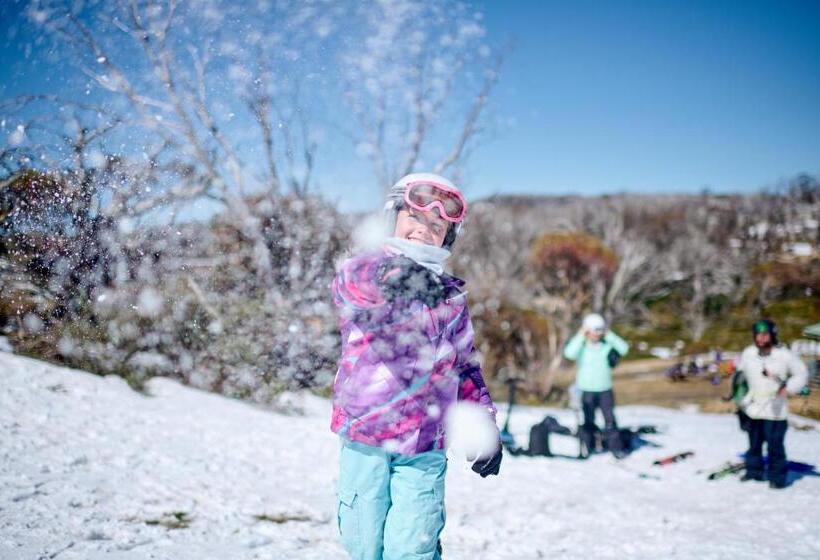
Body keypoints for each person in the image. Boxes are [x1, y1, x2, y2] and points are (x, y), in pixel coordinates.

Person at [331, 173, 501, 560]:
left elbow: (465, 366)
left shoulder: (450, 296)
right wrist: (394, 276)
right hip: (365, 434)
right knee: (363, 542)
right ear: (392, 217)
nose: (424, 230)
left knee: (413, 544)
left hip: (426, 440)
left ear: (448, 237)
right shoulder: (365, 271)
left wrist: (484, 423)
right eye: (415, 218)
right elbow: (350, 285)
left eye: (437, 225)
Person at [736, 319, 808, 489]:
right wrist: (738, 397)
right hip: (753, 407)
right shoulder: (749, 353)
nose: (760, 338)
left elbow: (801, 374)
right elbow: (740, 375)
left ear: (772, 335)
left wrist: (788, 388)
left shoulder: (784, 355)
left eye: (765, 334)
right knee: (754, 444)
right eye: (757, 335)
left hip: (775, 408)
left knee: (775, 446)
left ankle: (777, 478)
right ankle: (754, 471)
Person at [563, 313, 629, 459]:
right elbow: (569, 353)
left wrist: (609, 334)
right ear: (587, 330)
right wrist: (580, 335)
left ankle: (616, 448)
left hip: (605, 390)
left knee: (610, 420)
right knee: (588, 421)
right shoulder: (582, 347)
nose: (597, 334)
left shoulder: (606, 345)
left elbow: (624, 349)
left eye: (600, 331)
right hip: (586, 391)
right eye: (594, 331)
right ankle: (590, 446)